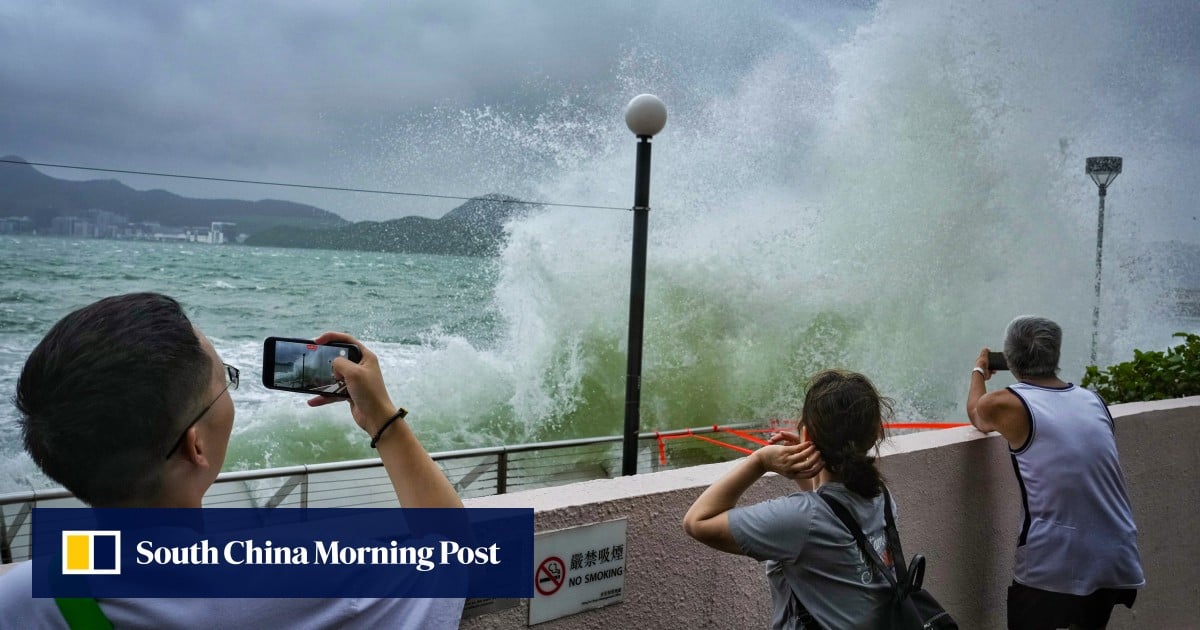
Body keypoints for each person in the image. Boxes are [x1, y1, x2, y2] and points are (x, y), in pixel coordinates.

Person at [0, 292, 465, 628]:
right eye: (227, 381)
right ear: (196, 445)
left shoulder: (25, 595)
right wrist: (383, 420)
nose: (230, 393)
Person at [684, 369, 899, 630]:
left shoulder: (803, 519)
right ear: (877, 431)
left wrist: (760, 461)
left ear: (806, 437)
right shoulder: (881, 496)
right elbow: (830, 513)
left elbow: (697, 521)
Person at [966, 315, 1144, 630]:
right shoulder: (1094, 401)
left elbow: (977, 413)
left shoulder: (1009, 403)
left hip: (1055, 561)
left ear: (1009, 357)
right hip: (1115, 555)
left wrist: (980, 369)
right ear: (1055, 356)